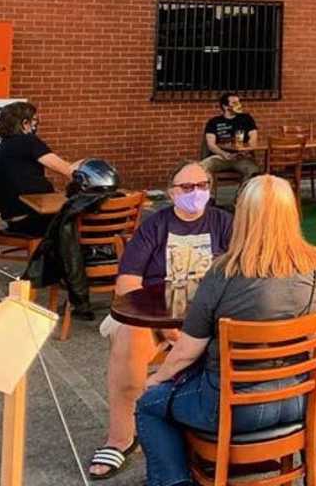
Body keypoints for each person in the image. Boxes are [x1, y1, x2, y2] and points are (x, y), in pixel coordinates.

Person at [136, 175, 316, 486]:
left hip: (236, 410)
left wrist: (155, 379)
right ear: (291, 213)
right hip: (304, 401)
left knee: (149, 404)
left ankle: (173, 482)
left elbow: (186, 352)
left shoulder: (223, 274)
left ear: (244, 216)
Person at [86, 161, 233, 481]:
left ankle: (226, 426)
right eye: (187, 187)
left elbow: (241, 276)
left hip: (208, 316)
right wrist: (165, 327)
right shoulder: (155, 226)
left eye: (203, 185)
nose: (196, 192)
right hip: (154, 315)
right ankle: (120, 437)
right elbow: (127, 284)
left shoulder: (224, 223)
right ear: (171, 192)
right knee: (128, 335)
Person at [0, 101, 82, 237]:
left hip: (16, 220)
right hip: (33, 220)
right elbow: (67, 170)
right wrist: (87, 165)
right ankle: (93, 248)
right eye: (35, 120)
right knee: (86, 212)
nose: (37, 125)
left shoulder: (4, 146)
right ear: (25, 123)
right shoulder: (28, 141)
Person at [199, 93, 259, 185]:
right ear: (225, 106)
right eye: (234, 103)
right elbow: (211, 145)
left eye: (239, 102)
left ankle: (244, 193)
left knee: (253, 170)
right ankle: (207, 193)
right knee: (201, 167)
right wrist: (224, 154)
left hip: (241, 158)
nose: (239, 105)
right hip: (220, 157)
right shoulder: (214, 122)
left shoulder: (246, 119)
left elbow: (253, 139)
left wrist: (245, 152)